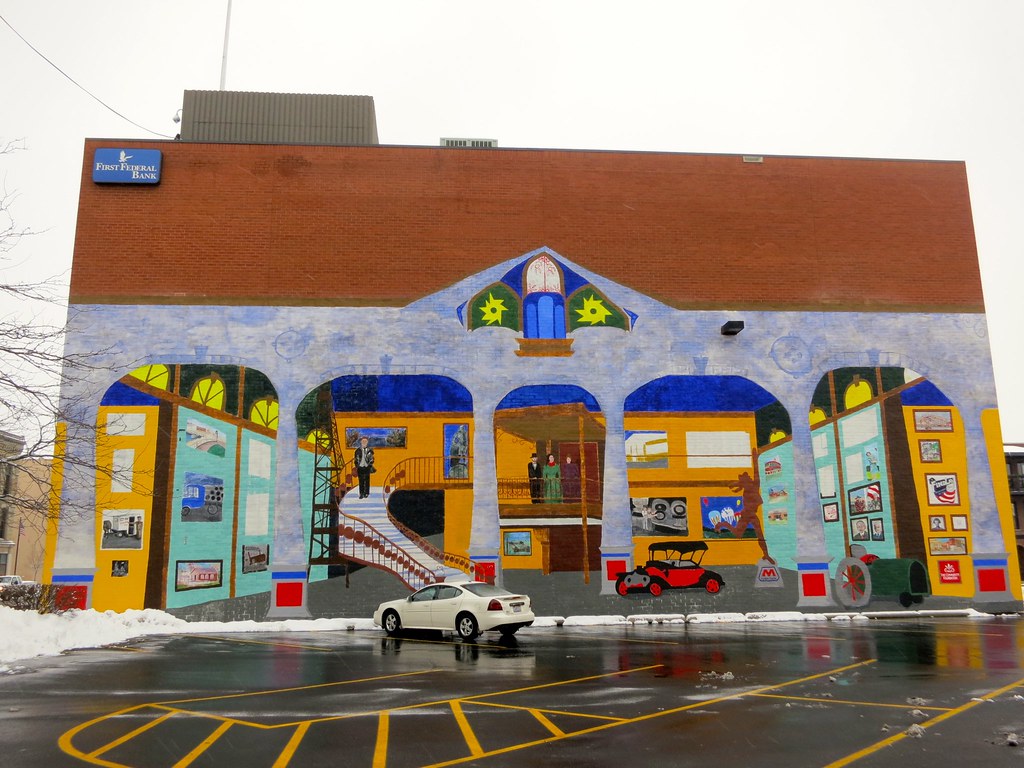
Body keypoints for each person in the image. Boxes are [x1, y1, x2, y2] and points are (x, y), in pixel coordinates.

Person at [715, 471, 775, 564]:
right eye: (748, 478)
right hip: (746, 514)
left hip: (752, 515)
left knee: (759, 535)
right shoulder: (749, 487)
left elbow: (756, 473)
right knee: (738, 535)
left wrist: (754, 457)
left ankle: (766, 554)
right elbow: (737, 483)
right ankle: (722, 524)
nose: (751, 478)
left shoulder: (754, 486)